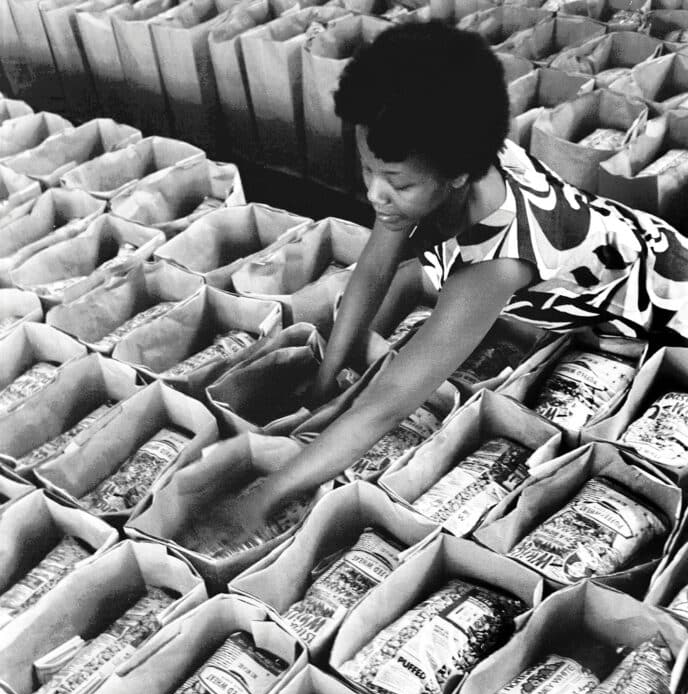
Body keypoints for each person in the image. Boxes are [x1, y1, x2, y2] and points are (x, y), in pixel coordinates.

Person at [186, 22, 688, 527]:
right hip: (608, 255)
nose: (376, 194)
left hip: (660, 306)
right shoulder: (453, 152)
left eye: (397, 182)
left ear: (457, 176)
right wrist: (322, 380)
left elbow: (386, 407)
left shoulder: (495, 264)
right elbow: (373, 270)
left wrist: (261, 499)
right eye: (367, 170)